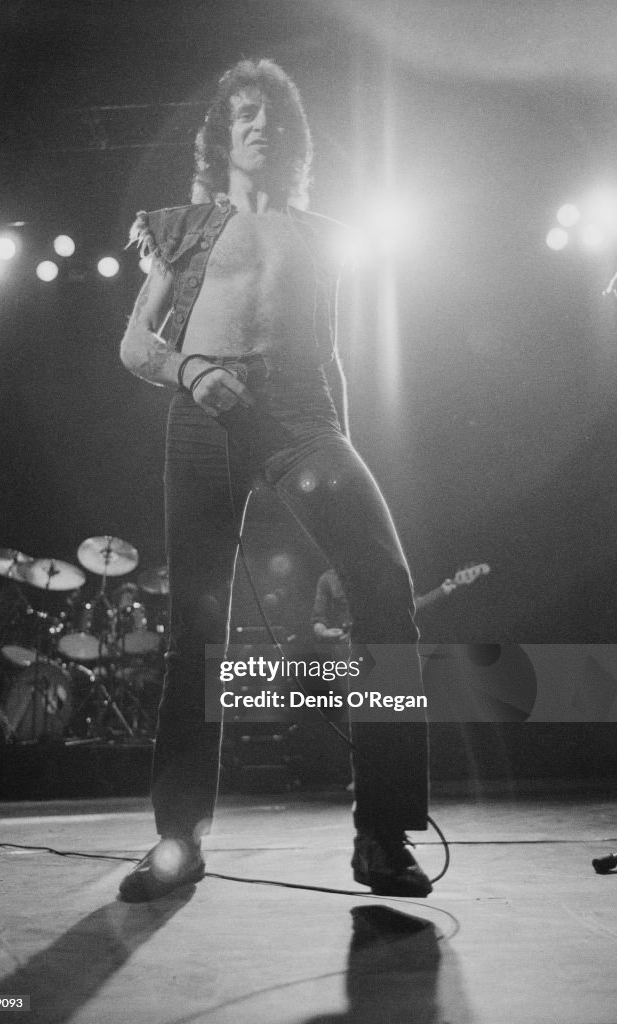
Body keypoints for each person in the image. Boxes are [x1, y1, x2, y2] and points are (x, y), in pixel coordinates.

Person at [118, 58, 431, 901]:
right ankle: (176, 842)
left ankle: (383, 834)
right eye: (244, 113)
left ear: (290, 139)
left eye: (273, 116)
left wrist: (346, 502)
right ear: (222, 133)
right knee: (195, 629)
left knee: (385, 581)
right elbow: (136, 346)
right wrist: (193, 374)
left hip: (301, 417)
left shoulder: (323, 233)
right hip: (203, 414)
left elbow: (328, 359)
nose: (260, 124)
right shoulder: (181, 227)